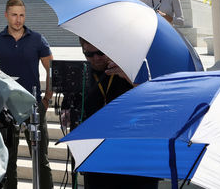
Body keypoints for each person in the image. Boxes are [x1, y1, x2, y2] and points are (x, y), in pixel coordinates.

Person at [60, 38, 158, 189]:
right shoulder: (83, 73)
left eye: (100, 52)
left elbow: (153, 99)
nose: (96, 58)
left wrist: (130, 77)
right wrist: (67, 116)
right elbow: (68, 108)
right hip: (96, 158)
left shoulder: (133, 66)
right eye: (89, 54)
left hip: (133, 158)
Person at [0, 0, 53, 189]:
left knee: (41, 160)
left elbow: (51, 69)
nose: (18, 19)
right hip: (5, 109)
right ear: (6, 15)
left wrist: (46, 99)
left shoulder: (37, 39)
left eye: (21, 15)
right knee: (7, 161)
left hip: (33, 106)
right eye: (14, 15)